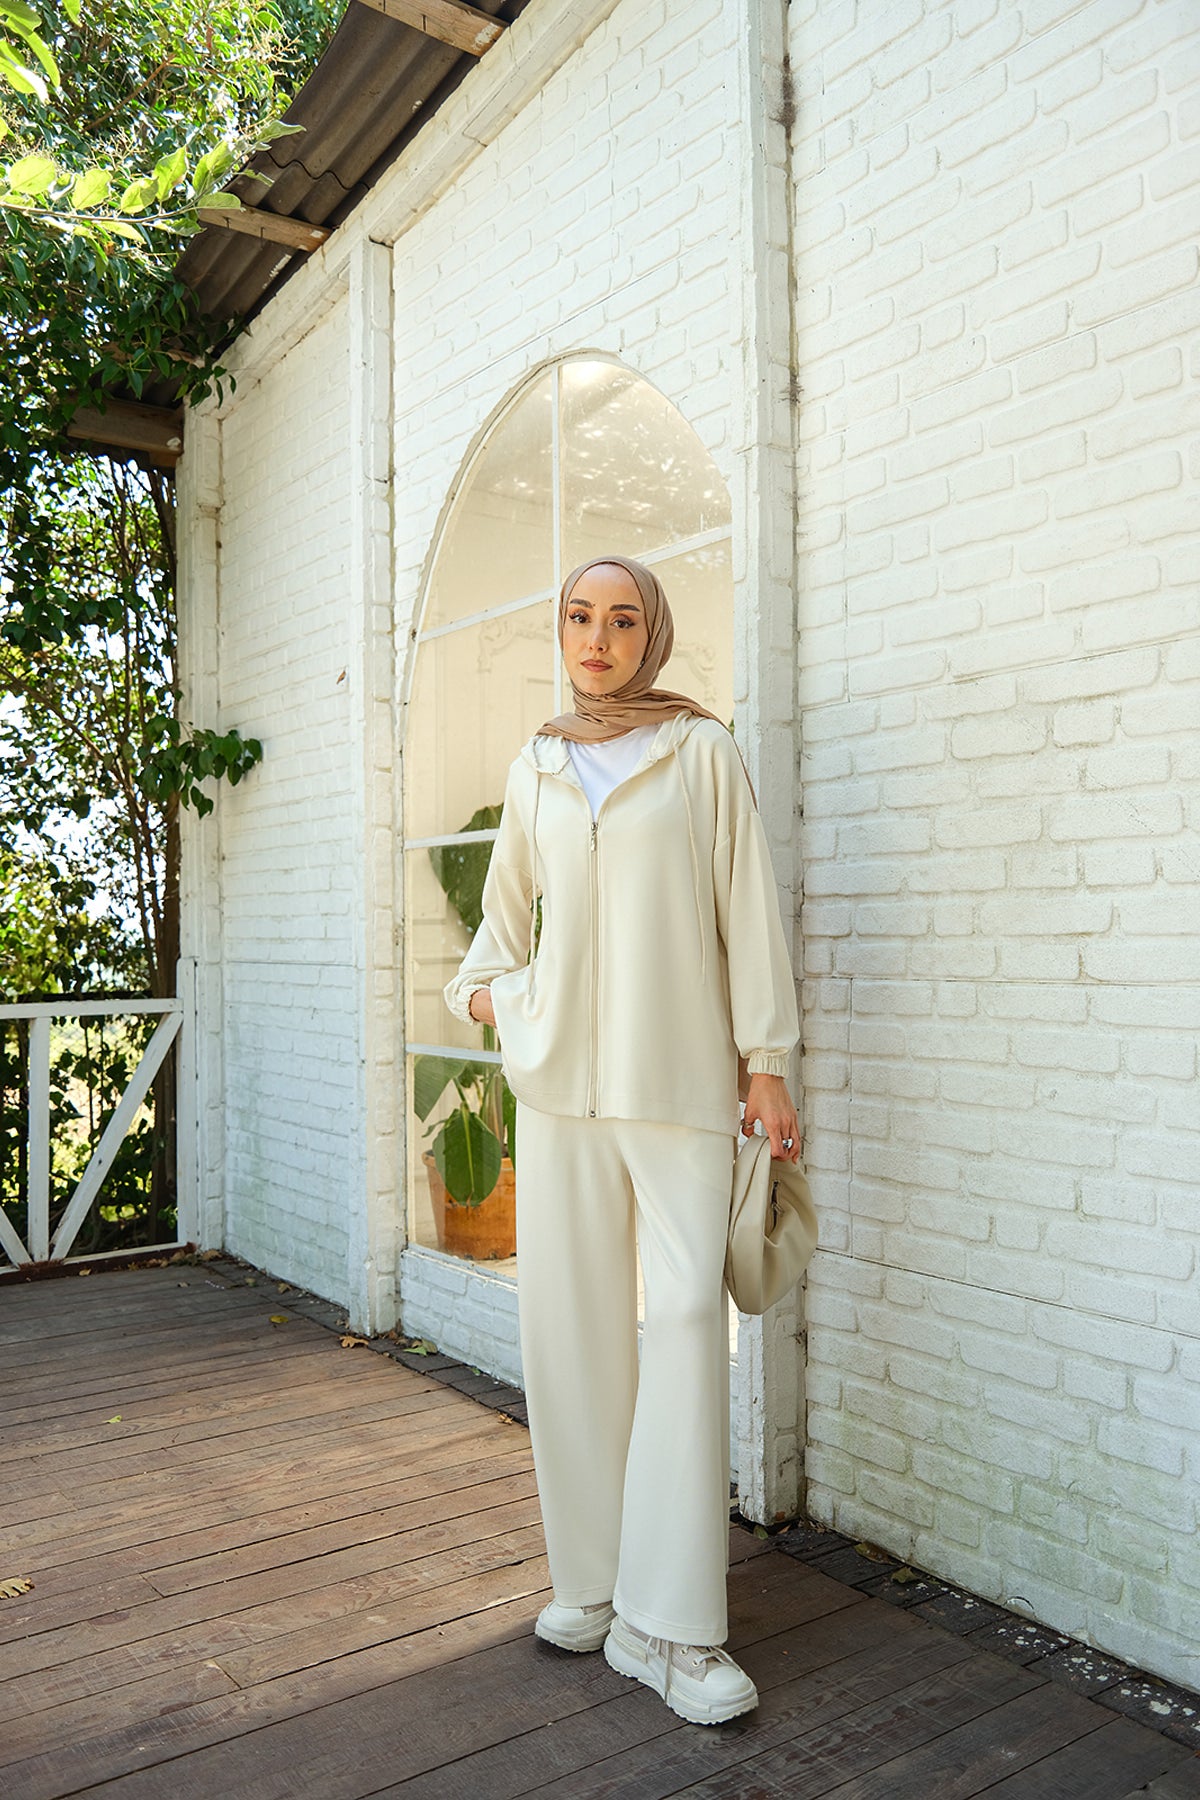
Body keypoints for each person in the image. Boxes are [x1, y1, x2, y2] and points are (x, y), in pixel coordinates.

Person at [444, 553, 801, 1726]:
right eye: (579, 617)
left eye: (623, 619)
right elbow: (496, 938)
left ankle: (674, 1628)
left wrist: (767, 1060)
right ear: (562, 631)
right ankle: (593, 1585)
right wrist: (505, 1002)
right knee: (571, 1334)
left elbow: (746, 908)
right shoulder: (538, 765)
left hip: (680, 1083)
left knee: (688, 1321)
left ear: (654, 636)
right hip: (559, 1094)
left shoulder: (700, 752)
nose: (597, 638)